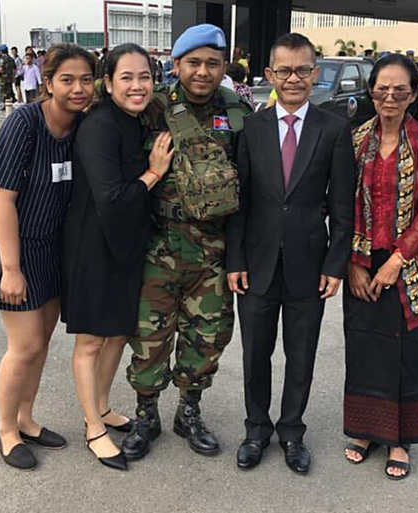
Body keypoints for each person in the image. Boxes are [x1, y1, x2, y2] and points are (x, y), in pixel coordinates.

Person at [121, 24, 255, 462]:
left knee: (208, 337)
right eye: (193, 62)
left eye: (212, 64)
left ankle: (189, 411)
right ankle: (146, 414)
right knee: (148, 336)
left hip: (213, 249)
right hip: (157, 244)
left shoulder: (237, 111)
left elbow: (251, 183)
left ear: (224, 67)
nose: (202, 71)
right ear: (176, 64)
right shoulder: (150, 107)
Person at [226, 33, 356, 475]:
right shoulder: (252, 128)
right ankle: (256, 430)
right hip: (256, 263)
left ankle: (292, 432)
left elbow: (342, 207)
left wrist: (335, 264)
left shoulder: (333, 130)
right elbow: (240, 202)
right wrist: (235, 259)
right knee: (255, 355)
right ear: (270, 74)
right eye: (284, 70)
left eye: (302, 70)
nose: (293, 78)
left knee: (301, 356)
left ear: (315, 74)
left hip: (309, 264)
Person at [0, 42, 96, 471]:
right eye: (67, 80)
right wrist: (10, 270)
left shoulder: (82, 126)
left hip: (53, 245)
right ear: (48, 83)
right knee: (24, 345)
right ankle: (5, 431)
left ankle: (26, 419)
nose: (78, 88)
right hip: (16, 245)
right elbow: (2, 200)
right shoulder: (25, 122)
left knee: (42, 341)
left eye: (86, 79)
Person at [63, 44, 175, 472]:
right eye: (126, 77)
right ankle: (93, 428)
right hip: (94, 246)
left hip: (126, 243)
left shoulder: (137, 120)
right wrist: (153, 173)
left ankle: (103, 406)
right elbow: (110, 197)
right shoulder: (99, 126)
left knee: (116, 334)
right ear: (108, 83)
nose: (137, 85)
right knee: (91, 340)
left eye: (144, 76)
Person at [342, 53, 418, 481]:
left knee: (405, 351)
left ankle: (400, 439)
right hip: (362, 262)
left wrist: (397, 260)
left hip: (408, 264)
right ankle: (367, 430)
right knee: (364, 347)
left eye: (399, 90)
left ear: (413, 95)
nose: (389, 97)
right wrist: (353, 262)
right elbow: (342, 206)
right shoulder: (354, 140)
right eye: (382, 89)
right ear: (371, 92)